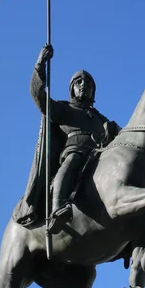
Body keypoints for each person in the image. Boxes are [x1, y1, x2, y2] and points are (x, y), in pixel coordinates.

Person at [12, 44, 120, 232]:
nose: (84, 85)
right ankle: (57, 210)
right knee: (71, 162)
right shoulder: (64, 109)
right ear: (72, 89)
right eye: (79, 82)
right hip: (76, 151)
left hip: (99, 155)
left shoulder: (100, 118)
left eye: (88, 83)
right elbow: (38, 95)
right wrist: (40, 64)